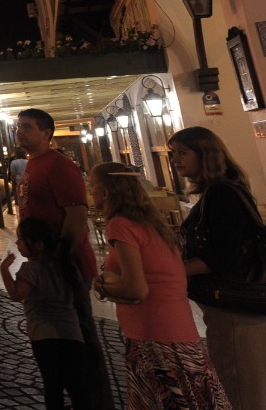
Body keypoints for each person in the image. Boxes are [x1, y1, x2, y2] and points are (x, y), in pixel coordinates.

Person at [90, 162, 229, 409]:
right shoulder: (152, 223)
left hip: (154, 332)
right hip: (177, 329)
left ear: (106, 191)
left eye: (92, 186)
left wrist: (102, 285)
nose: (89, 192)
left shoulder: (120, 224)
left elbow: (136, 289)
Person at [16, 107, 115, 410]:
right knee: (61, 342)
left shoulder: (58, 166)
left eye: (27, 127)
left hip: (66, 266)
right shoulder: (33, 165)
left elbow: (76, 215)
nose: (19, 132)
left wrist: (60, 256)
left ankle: (97, 402)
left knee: (81, 338)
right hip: (47, 267)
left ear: (46, 134)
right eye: (18, 127)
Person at [169, 125, 266, 410]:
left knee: (239, 384)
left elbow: (221, 257)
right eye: (173, 153)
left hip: (235, 306)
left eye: (182, 153)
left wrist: (169, 272)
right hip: (230, 308)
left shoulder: (222, 193)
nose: (175, 160)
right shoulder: (220, 191)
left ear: (205, 154)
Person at [0, 217, 92, 410]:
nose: (17, 243)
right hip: (72, 334)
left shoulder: (30, 270)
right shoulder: (65, 266)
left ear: (38, 245)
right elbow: (82, 294)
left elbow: (17, 295)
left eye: (21, 239)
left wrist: (4, 270)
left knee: (53, 386)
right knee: (78, 389)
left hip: (43, 335)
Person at [9, 148, 29, 216]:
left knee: (20, 198)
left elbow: (13, 175)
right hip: (27, 181)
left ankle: (22, 213)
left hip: (19, 182)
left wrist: (13, 185)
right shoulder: (27, 161)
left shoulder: (14, 162)